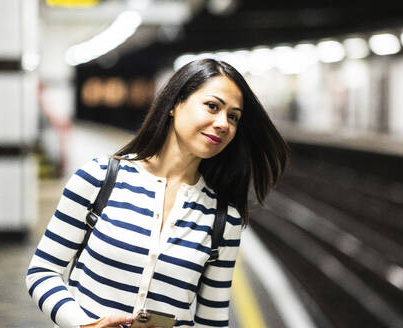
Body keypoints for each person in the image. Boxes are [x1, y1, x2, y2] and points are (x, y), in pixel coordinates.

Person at [26, 58, 289, 328]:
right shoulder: (99, 178)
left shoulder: (224, 219)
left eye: (233, 117)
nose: (223, 123)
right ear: (176, 103)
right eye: (212, 106)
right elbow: (43, 272)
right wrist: (83, 324)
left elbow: (212, 321)